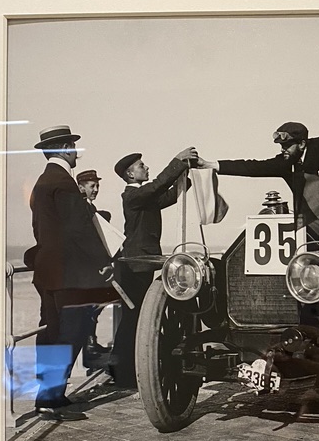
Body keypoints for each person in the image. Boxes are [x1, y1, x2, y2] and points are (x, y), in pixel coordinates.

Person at [24, 125, 114, 414]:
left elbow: (39, 228)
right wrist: (104, 263)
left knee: (52, 332)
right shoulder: (63, 182)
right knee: (70, 332)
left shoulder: (42, 182)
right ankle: (49, 398)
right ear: (65, 148)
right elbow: (79, 229)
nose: (76, 152)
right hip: (66, 274)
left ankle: (50, 395)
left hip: (48, 271)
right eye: (73, 146)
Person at [111, 147, 198, 388]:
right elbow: (158, 186)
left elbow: (167, 196)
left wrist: (187, 177)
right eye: (141, 166)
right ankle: (123, 374)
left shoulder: (143, 197)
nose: (146, 168)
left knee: (134, 317)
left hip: (142, 262)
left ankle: (119, 370)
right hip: (135, 264)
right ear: (130, 174)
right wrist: (177, 162)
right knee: (134, 319)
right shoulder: (132, 196)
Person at [198, 121, 319, 222]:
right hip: (312, 221)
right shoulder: (285, 163)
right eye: (281, 146)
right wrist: (209, 165)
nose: (283, 150)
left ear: (302, 144)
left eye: (287, 145)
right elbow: (251, 167)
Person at [76, 169, 113, 369]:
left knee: (94, 308)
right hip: (87, 269)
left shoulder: (90, 207)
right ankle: (89, 347)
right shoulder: (83, 207)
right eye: (92, 186)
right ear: (81, 187)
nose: (96, 189)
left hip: (93, 269)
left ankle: (91, 343)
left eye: (97, 185)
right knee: (89, 309)